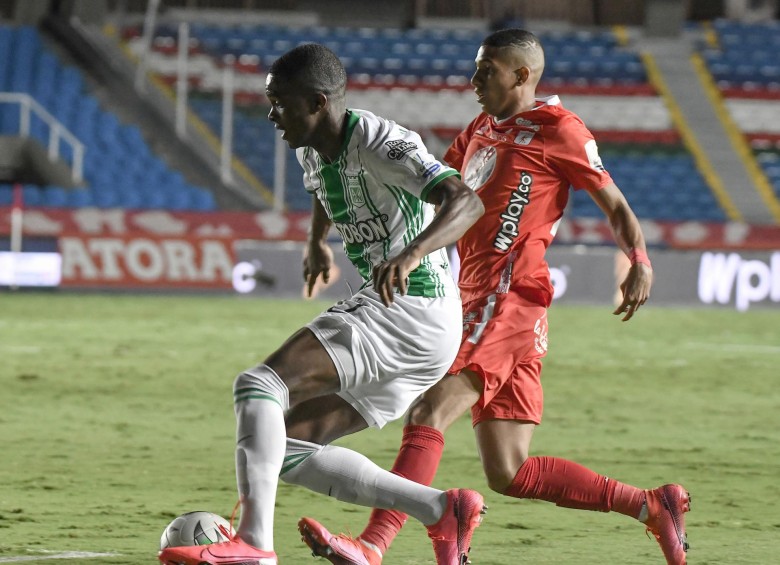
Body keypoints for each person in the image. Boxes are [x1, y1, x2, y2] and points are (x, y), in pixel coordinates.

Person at [297, 29, 691, 565]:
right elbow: (433, 188)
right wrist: (327, 231)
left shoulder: (560, 130)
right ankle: (652, 506)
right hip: (476, 297)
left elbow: (616, 205)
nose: (474, 80)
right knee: (510, 471)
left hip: (508, 296)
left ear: (522, 75)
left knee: (428, 411)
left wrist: (640, 260)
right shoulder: (481, 128)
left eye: (486, 70)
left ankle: (372, 546)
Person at [157, 43, 486, 565]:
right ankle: (441, 510)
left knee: (260, 385)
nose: (270, 115)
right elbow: (322, 186)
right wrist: (317, 242)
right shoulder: (309, 144)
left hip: (409, 305)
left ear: (317, 102)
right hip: (420, 332)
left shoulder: (383, 140)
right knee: (284, 445)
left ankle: (254, 545)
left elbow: (466, 200)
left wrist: (409, 254)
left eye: (279, 103)